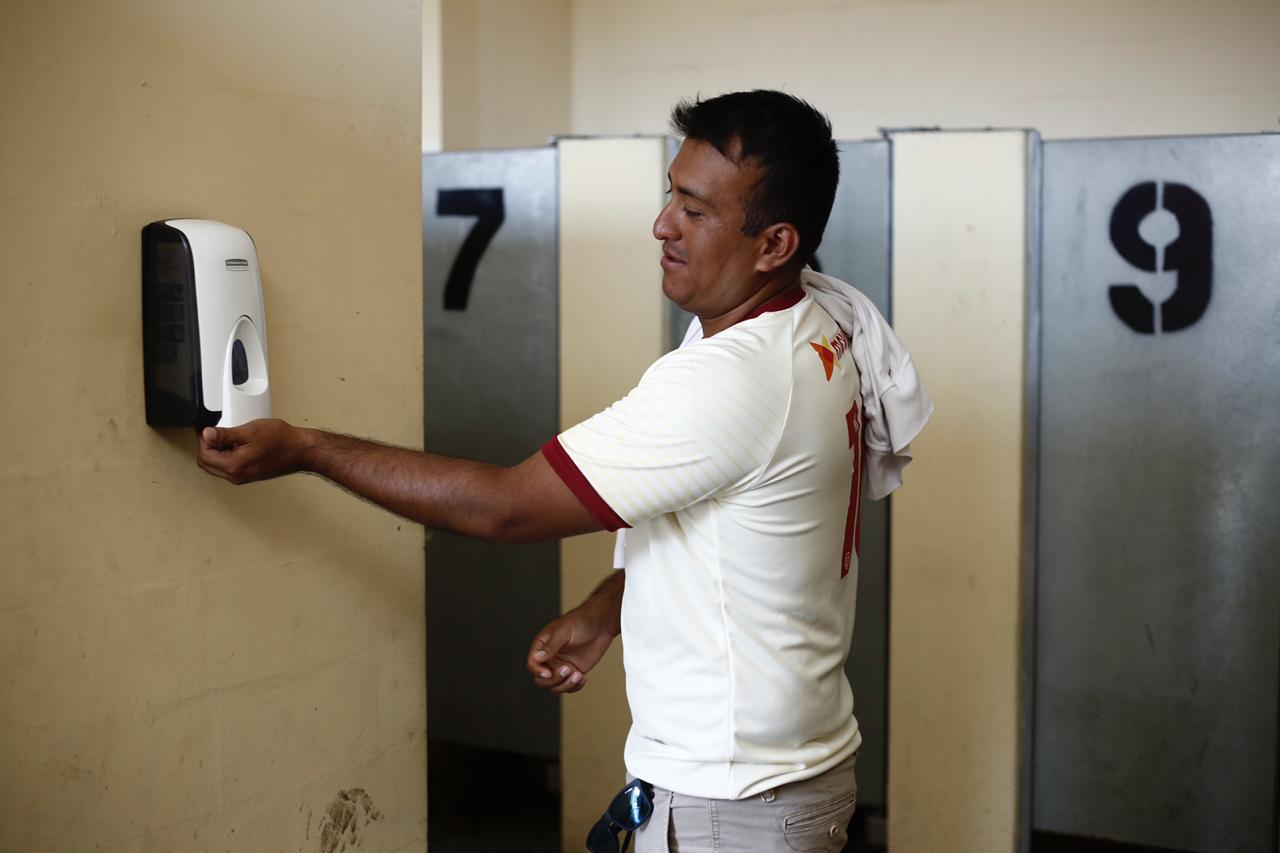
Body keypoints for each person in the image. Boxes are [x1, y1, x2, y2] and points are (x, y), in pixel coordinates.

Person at [197, 90, 929, 852]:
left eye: (695, 210)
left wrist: (308, 448)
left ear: (775, 244)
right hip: (786, 774)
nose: (662, 224)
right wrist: (610, 605)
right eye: (669, 194)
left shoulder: (736, 379)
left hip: (733, 799)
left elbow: (504, 507)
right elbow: (729, 525)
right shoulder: (817, 320)